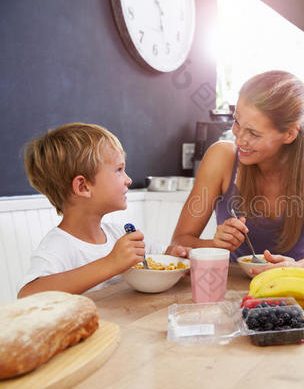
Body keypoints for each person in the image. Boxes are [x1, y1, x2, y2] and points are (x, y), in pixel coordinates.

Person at [171, 70, 304, 276]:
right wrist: (215, 244)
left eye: (254, 133)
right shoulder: (222, 157)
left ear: (289, 134)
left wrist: (295, 269)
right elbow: (179, 242)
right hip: (228, 284)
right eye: (237, 122)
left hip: (292, 284)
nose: (239, 139)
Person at [18, 123, 187, 297]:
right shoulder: (58, 246)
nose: (128, 180)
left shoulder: (119, 233)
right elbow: (27, 295)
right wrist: (110, 263)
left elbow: (161, 254)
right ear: (83, 186)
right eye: (119, 170)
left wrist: (174, 254)